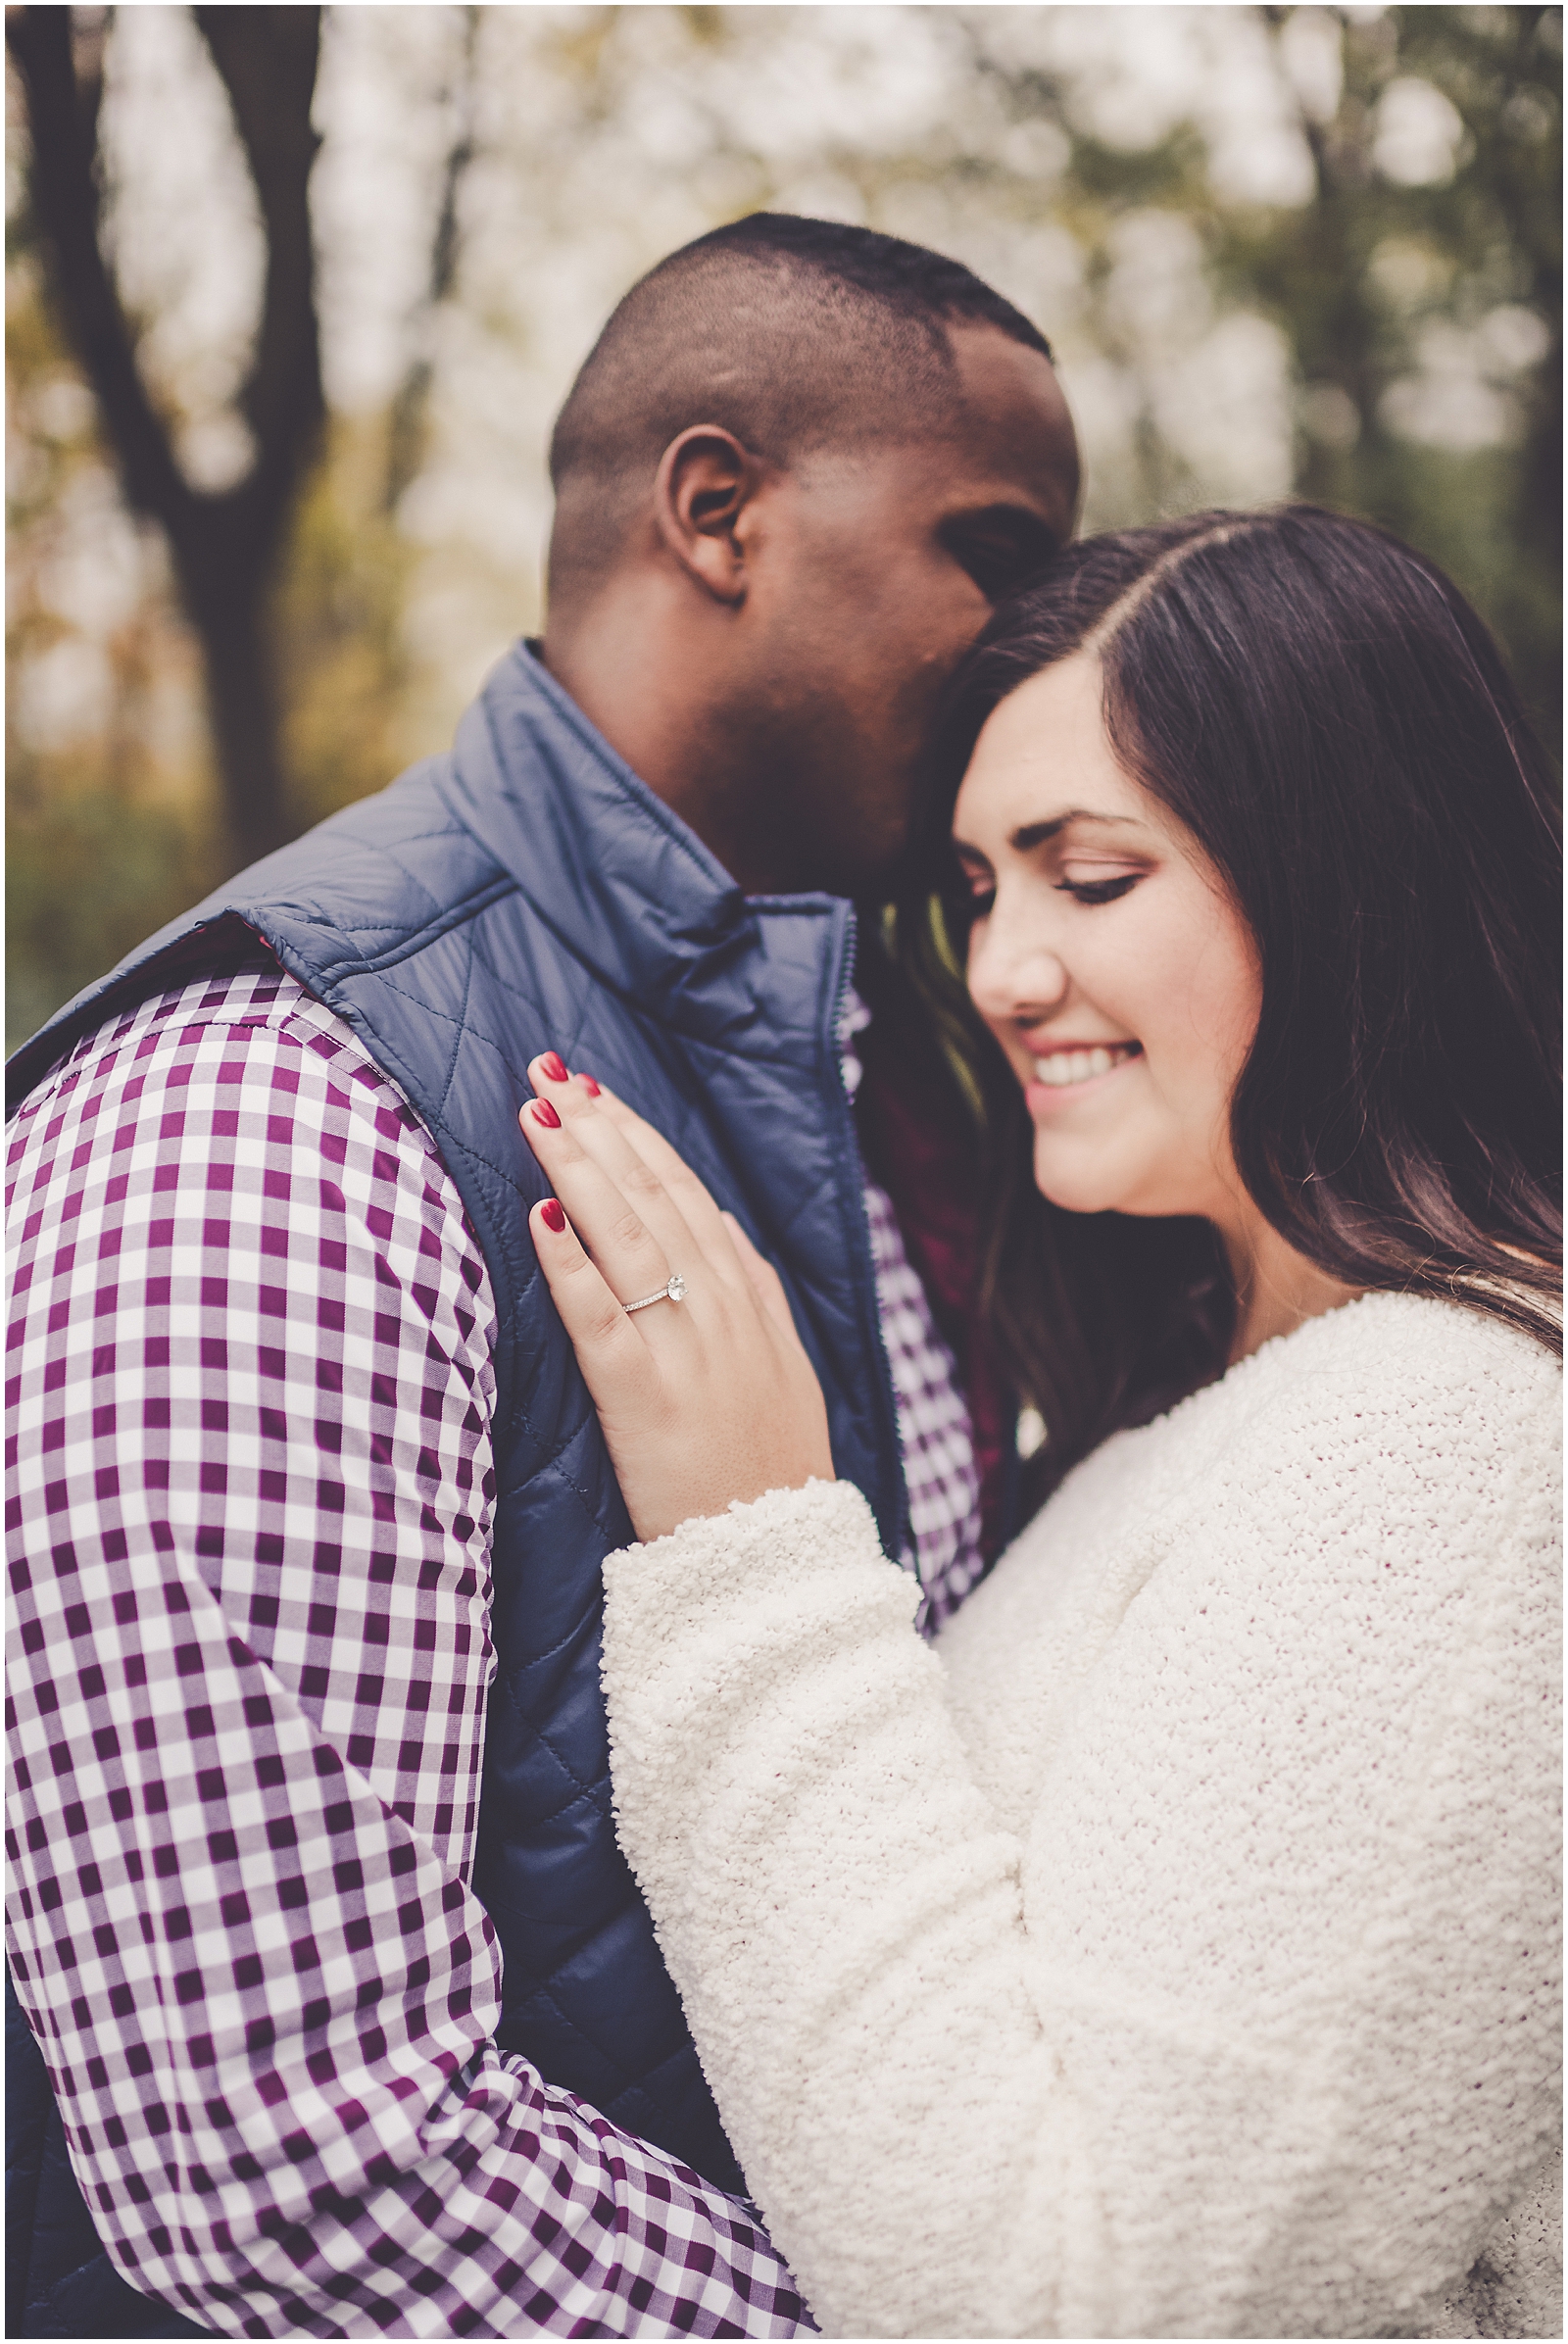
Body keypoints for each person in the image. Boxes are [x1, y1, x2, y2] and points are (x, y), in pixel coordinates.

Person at [3, 215, 1079, 2336]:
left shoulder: (877, 1066)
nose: (1043, 639)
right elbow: (298, 2168)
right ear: (716, 511)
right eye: (994, 548)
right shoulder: (263, 1128)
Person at [514, 507, 1563, 2339]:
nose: (1001, 970)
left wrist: (753, 1566)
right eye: (984, 889)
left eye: (1090, 877)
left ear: (1346, 879)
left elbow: (1086, 2304)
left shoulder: (1453, 1441)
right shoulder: (1237, 1402)